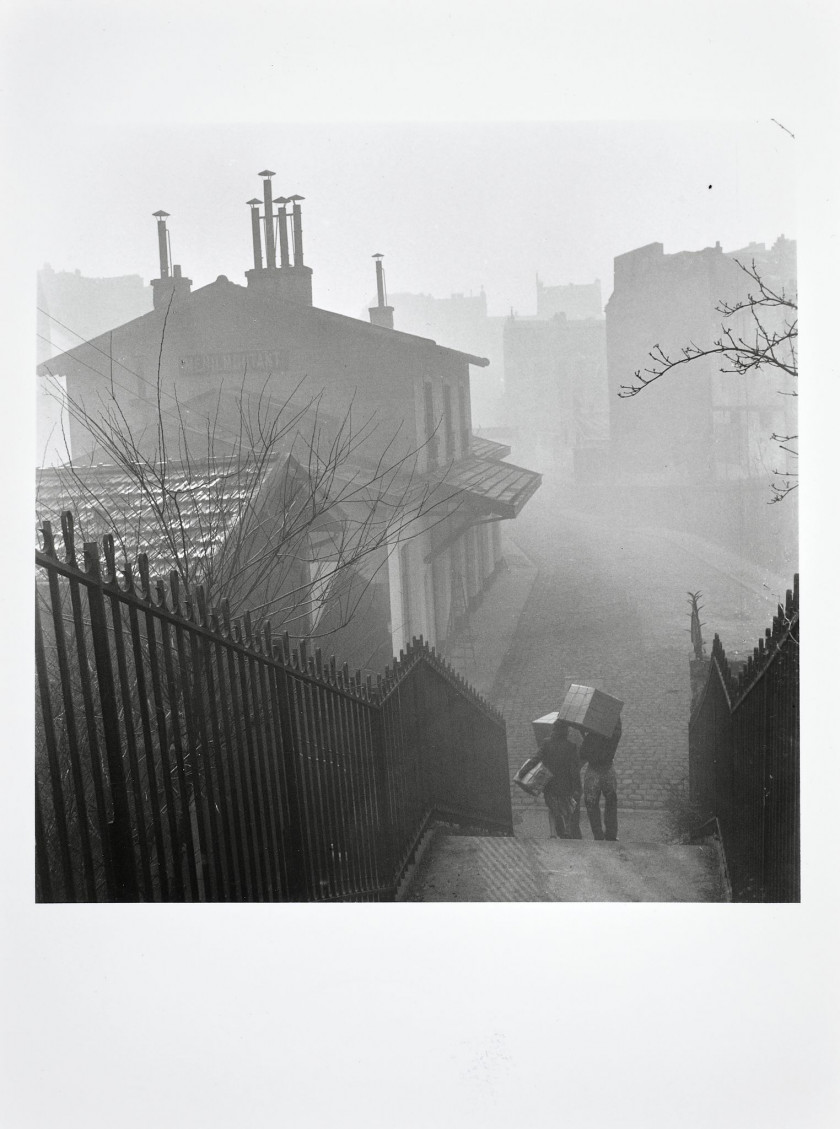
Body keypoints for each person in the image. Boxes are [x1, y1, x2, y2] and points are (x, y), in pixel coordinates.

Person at [538, 718, 582, 839]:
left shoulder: (546, 743)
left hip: (550, 782)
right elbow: (574, 769)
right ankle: (567, 831)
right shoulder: (571, 746)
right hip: (565, 783)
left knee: (551, 808)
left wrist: (524, 771)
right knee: (567, 808)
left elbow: (537, 758)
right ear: (566, 732)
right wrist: (577, 786)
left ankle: (552, 834)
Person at [580, 716, 622, 841]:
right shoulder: (613, 736)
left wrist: (584, 736)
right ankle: (611, 834)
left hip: (593, 774)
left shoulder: (591, 737)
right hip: (608, 772)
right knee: (611, 803)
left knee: (592, 805)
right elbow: (618, 729)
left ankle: (598, 835)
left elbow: (582, 753)